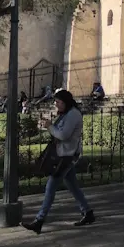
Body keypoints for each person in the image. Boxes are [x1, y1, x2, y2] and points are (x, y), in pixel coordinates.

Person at [22, 89, 94, 233]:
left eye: (58, 102)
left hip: (67, 155)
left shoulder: (73, 114)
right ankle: (87, 212)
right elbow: (57, 131)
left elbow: (63, 135)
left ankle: (39, 220)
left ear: (66, 102)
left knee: (51, 187)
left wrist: (49, 126)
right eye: (56, 101)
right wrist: (48, 126)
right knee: (72, 185)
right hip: (64, 153)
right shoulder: (66, 114)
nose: (56, 104)